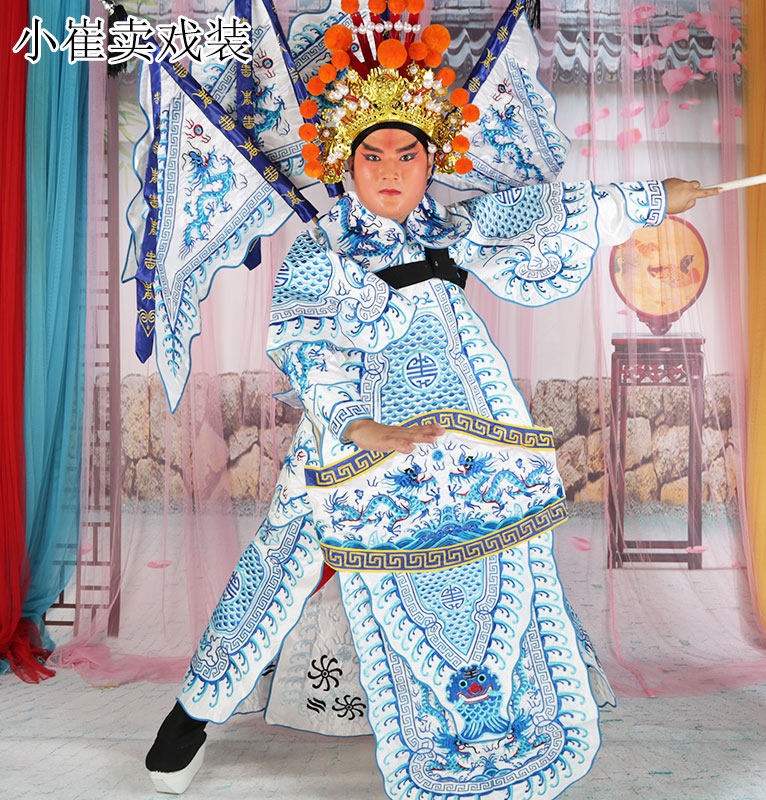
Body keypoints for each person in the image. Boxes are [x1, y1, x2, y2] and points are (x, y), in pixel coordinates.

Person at [144, 3, 719, 797]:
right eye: (372, 154)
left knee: (510, 553)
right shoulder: (320, 250)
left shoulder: (453, 228)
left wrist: (653, 198)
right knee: (277, 568)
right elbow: (309, 351)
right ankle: (193, 713)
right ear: (345, 161)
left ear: (429, 161)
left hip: (466, 430)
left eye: (408, 155)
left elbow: (552, 212)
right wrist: (360, 426)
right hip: (351, 444)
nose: (390, 170)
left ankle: (529, 706)